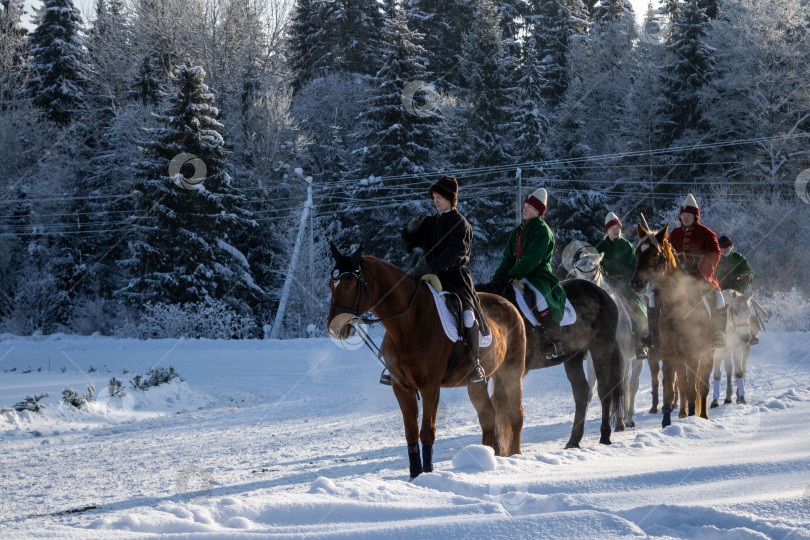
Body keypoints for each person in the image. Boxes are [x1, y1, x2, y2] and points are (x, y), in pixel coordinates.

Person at [400, 175, 487, 386]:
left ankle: (474, 364)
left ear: (451, 198)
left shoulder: (461, 223)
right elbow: (409, 246)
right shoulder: (430, 222)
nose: (436, 201)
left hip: (454, 279)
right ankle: (398, 361)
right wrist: (410, 231)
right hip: (427, 276)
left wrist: (430, 267)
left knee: (467, 316)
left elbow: (455, 254)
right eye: (434, 197)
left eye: (440, 197)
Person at [490, 188, 567, 359]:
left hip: (538, 276)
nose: (524, 209)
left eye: (529, 207)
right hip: (518, 274)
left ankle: (555, 341)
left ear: (539, 211)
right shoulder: (517, 231)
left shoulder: (543, 230)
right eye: (524, 206)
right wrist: (499, 275)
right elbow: (508, 257)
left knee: (540, 298)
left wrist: (513, 274)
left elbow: (532, 259)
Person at [668, 194, 727, 348]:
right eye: (683, 215)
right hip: (678, 278)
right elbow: (666, 253)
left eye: (689, 215)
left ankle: (718, 332)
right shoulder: (674, 234)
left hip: (701, 277)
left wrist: (701, 264)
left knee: (718, 297)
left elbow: (716, 253)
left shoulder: (707, 233)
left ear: (695, 216)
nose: (686, 218)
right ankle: (654, 334)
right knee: (654, 296)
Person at [595, 212, 649, 359]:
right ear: (607, 230)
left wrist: (623, 282)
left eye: (618, 228)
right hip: (605, 286)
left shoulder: (627, 246)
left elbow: (632, 267)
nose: (615, 231)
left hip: (625, 287)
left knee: (638, 310)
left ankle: (640, 345)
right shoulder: (599, 247)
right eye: (612, 228)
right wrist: (604, 282)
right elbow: (595, 267)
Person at [716, 235, 759, 345]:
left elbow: (748, 269)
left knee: (751, 306)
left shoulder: (738, 257)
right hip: (720, 289)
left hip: (737, 289)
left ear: (730, 246)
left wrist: (747, 276)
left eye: (726, 247)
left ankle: (753, 332)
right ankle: (714, 332)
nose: (724, 249)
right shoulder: (716, 258)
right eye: (722, 247)